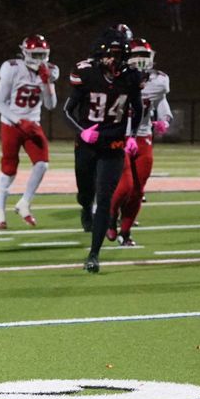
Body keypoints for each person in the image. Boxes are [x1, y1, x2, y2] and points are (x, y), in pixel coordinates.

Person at [63, 27, 143, 273]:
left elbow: (138, 108)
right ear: (100, 55)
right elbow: (67, 110)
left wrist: (131, 135)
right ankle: (84, 206)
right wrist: (82, 131)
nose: (114, 59)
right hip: (87, 145)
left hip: (114, 145)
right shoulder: (86, 74)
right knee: (85, 192)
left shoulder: (131, 77)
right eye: (111, 54)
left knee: (105, 199)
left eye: (119, 54)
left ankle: (94, 254)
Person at [106, 38, 172, 246]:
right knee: (125, 186)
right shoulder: (115, 78)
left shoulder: (159, 81)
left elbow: (160, 100)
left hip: (143, 137)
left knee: (138, 190)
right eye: (138, 56)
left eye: (146, 56)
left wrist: (164, 119)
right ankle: (110, 216)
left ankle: (125, 233)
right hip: (120, 135)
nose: (142, 61)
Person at [0, 34, 59, 229]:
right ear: (25, 53)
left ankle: (24, 203)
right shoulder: (12, 69)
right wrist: (18, 120)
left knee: (42, 164)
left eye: (42, 55)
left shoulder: (51, 71)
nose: (40, 59)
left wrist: (48, 84)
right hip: (11, 123)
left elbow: (50, 105)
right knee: (9, 168)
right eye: (35, 55)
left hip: (33, 122)